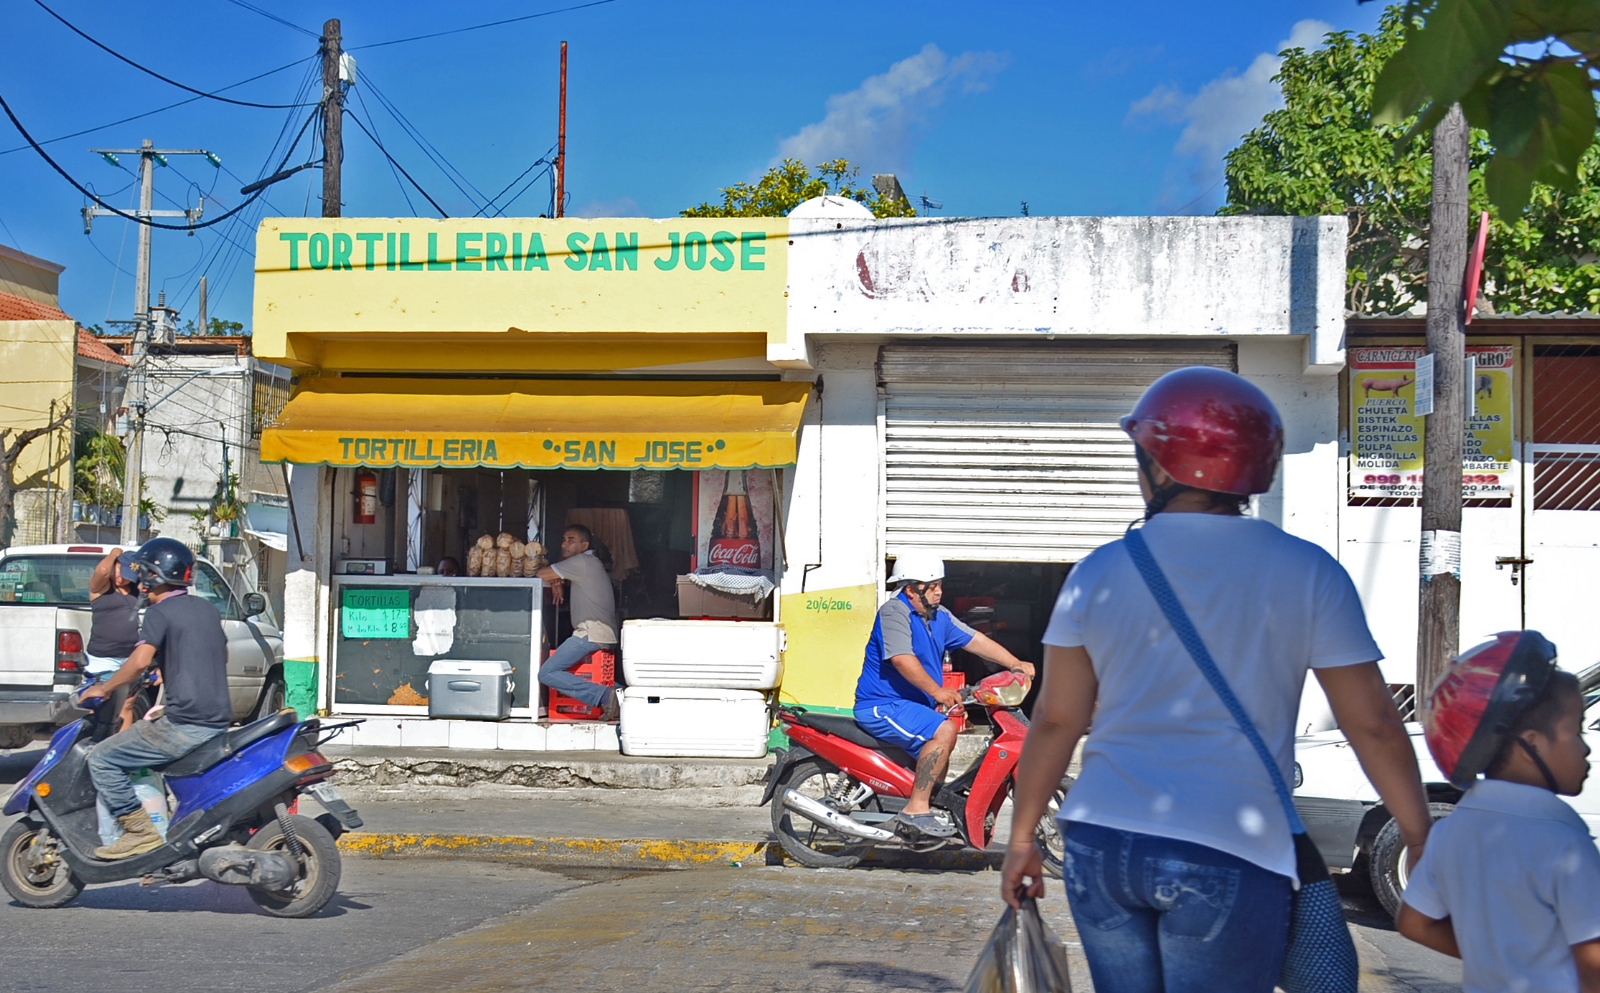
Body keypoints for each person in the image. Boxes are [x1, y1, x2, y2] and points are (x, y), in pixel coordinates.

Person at [1003, 367, 1432, 993]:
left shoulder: (1099, 572)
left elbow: (1058, 720)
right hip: (1228, 846)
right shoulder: (1307, 571)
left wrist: (1022, 837)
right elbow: (1371, 723)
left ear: (1158, 464)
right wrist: (1418, 833)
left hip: (1103, 842)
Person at [1396, 631, 1600, 993]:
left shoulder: (1449, 832)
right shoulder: (1566, 843)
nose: (1585, 749)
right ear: (1531, 744)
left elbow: (1415, 923)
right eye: (1576, 729)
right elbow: (1593, 964)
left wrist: (1497, 963)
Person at [854, 550, 1035, 839]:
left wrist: (1013, 663)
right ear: (911, 590)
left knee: (943, 738)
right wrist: (938, 691)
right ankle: (915, 809)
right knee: (945, 730)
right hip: (882, 705)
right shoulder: (894, 612)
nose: (939, 592)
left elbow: (975, 641)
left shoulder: (938, 616)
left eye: (940, 585)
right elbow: (902, 659)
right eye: (933, 586)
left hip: (913, 707)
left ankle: (930, 807)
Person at [78, 538, 232, 860]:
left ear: (154, 576)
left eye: (144, 572)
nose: (140, 580)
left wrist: (103, 689)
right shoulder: (206, 608)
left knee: (102, 758)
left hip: (185, 725)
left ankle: (140, 833)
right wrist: (172, 667)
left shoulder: (159, 612)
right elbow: (223, 653)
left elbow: (137, 662)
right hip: (217, 720)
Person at [534, 525, 620, 720]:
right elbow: (554, 574)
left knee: (547, 673)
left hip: (591, 632)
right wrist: (557, 581)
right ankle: (627, 697)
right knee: (594, 676)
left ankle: (606, 696)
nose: (565, 544)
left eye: (571, 540)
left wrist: (555, 578)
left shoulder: (582, 561)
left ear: (585, 545)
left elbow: (540, 574)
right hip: (601, 633)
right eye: (563, 540)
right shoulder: (587, 562)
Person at [86, 547, 142, 732]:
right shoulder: (101, 588)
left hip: (129, 658)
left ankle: (118, 750)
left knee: (126, 706)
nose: (122, 579)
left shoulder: (135, 590)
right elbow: (102, 571)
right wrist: (113, 554)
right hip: (104, 659)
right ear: (115, 565)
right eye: (120, 571)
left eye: (128, 576)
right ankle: (96, 745)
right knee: (101, 706)